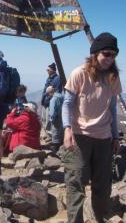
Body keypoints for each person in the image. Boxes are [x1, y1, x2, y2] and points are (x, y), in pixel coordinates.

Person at [62, 32, 122, 223]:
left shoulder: (113, 77)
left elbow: (112, 108)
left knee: (103, 186)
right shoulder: (79, 73)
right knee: (76, 184)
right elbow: (67, 103)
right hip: (80, 136)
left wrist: (115, 137)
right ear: (95, 53)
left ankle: (100, 218)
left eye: (113, 54)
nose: (110, 58)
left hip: (104, 138)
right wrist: (67, 129)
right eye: (106, 53)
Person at [41, 62, 62, 128]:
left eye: (48, 70)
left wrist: (51, 100)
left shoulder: (57, 79)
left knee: (48, 120)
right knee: (43, 119)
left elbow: (57, 92)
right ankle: (46, 135)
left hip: (50, 103)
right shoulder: (49, 78)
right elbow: (45, 90)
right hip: (45, 102)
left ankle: (49, 136)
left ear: (53, 70)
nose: (47, 71)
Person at [46, 86, 64, 152]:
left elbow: (52, 112)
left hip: (56, 119)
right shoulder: (62, 97)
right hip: (63, 118)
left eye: (48, 94)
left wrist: (51, 120)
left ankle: (55, 151)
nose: (48, 96)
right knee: (61, 133)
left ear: (50, 92)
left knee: (55, 134)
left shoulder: (53, 99)